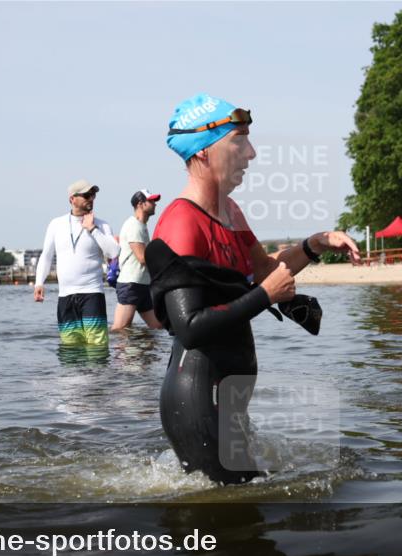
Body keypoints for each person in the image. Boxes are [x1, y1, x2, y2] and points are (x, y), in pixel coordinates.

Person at [146, 93, 359, 485]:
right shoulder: (181, 223)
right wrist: (265, 297)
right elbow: (189, 326)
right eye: (239, 140)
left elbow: (265, 271)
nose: (252, 153)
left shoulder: (231, 213)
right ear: (205, 152)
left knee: (251, 501)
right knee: (230, 524)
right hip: (196, 398)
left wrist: (315, 245)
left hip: (228, 397)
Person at [34, 180, 120, 348]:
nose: (91, 199)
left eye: (93, 195)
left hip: (92, 293)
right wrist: (39, 283)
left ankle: (98, 375)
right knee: (70, 350)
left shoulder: (101, 225)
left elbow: (114, 252)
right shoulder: (56, 224)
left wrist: (92, 229)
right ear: (72, 199)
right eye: (86, 195)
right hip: (65, 297)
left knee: (97, 348)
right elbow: (46, 256)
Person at [111, 189, 164, 332]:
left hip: (143, 284)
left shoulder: (142, 226)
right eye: (151, 201)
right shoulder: (134, 225)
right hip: (131, 284)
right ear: (140, 204)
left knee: (157, 326)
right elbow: (142, 258)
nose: (155, 204)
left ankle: (146, 354)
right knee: (120, 328)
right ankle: (116, 354)